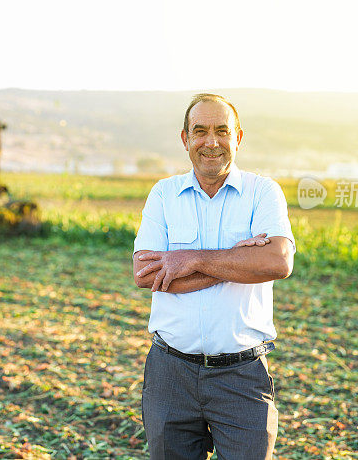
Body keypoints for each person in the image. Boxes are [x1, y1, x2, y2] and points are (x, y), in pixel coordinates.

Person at [133, 93, 296, 459]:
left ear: (238, 138)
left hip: (242, 376)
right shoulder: (164, 194)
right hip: (169, 374)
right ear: (185, 139)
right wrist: (239, 258)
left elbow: (277, 262)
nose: (211, 141)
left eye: (222, 131)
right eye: (200, 131)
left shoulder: (262, 192)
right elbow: (145, 274)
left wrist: (189, 259)